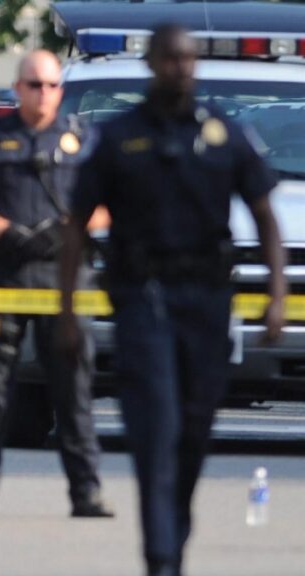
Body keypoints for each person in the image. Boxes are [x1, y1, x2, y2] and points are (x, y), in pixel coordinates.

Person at [59, 25, 286, 576]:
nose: (180, 67)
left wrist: (276, 294)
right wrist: (67, 309)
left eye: (188, 59)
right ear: (154, 63)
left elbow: (264, 215)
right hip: (143, 300)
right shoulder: (117, 138)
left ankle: (173, 535)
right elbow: (74, 226)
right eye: (171, 58)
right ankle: (161, 558)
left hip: (207, 303)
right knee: (154, 428)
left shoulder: (222, 133)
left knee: (191, 433)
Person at [0, 50, 114, 519]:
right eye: (34, 85)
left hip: (63, 285)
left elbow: (113, 203)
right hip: (3, 280)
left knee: (73, 392)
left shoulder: (82, 139)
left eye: (51, 85)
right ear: (18, 88)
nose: (43, 93)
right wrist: (7, 232)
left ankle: (87, 493)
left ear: (60, 90)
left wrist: (71, 228)